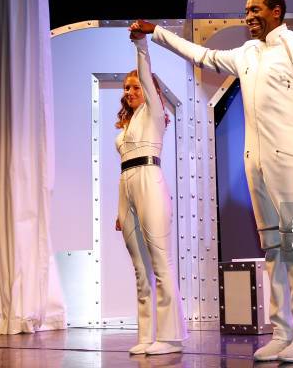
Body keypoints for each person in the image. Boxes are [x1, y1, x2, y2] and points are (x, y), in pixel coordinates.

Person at [131, 0, 293, 363]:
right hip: (257, 164)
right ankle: (283, 332)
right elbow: (204, 55)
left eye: (256, 9)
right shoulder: (247, 53)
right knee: (274, 250)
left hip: (292, 162)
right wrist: (156, 33)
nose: (249, 16)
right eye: (246, 11)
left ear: (277, 12)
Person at [114, 29, 188, 355]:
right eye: (126, 88)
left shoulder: (154, 113)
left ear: (148, 90)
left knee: (160, 261)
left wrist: (140, 45)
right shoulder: (127, 125)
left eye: (135, 86)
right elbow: (124, 173)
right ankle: (146, 334)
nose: (130, 91)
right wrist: (120, 211)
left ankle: (170, 337)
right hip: (127, 186)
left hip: (150, 182)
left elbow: (145, 74)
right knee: (140, 268)